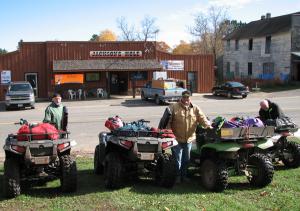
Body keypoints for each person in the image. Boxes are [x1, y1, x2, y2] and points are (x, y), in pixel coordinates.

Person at [166, 90, 212, 183]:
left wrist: (209, 126)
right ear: (181, 97)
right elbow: (168, 122)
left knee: (186, 159)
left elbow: (202, 118)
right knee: (177, 159)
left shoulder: (195, 108)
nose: (186, 99)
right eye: (184, 97)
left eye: (188, 97)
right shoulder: (173, 107)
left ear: (190, 98)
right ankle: (177, 176)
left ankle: (184, 176)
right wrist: (169, 134)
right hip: (176, 139)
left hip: (189, 139)